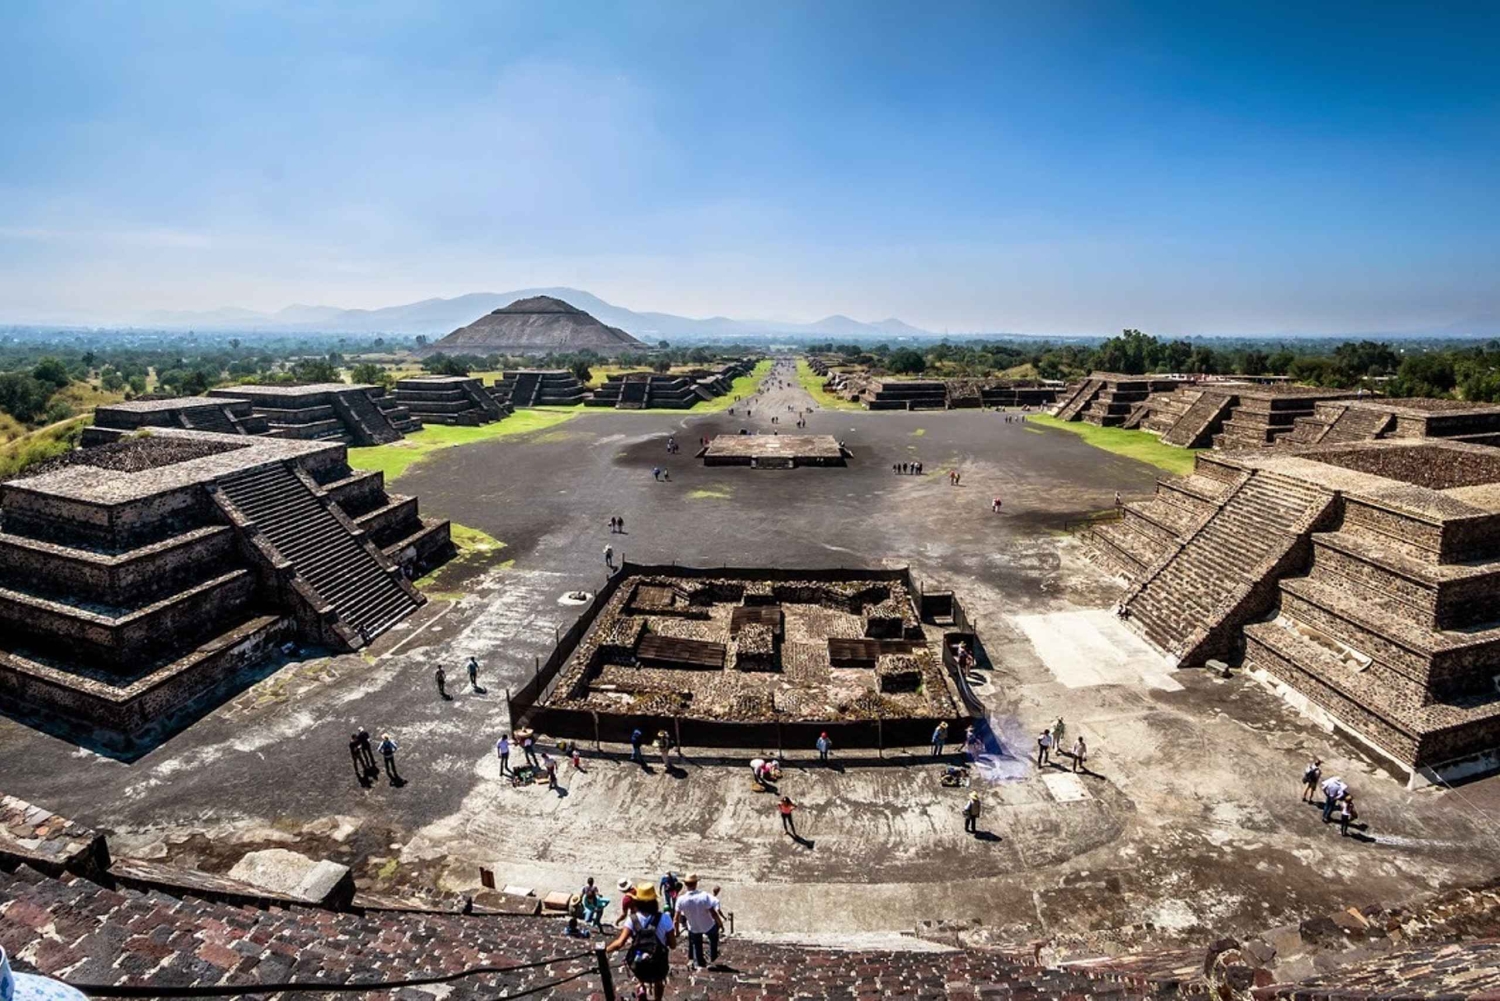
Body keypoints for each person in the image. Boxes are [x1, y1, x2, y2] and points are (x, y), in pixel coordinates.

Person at [607, 883, 675, 1001]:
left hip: (639, 961)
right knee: (659, 981)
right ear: (654, 901)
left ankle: (641, 987)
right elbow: (673, 945)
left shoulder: (632, 919)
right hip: (658, 961)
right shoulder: (665, 918)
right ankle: (657, 999)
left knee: (641, 968)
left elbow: (620, 943)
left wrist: (604, 950)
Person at [674, 874, 723, 970]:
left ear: (685, 884)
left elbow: (676, 919)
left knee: (696, 944)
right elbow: (713, 913)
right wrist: (720, 924)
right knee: (713, 939)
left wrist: (677, 931)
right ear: (696, 884)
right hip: (708, 925)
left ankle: (699, 963)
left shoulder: (680, 900)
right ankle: (712, 959)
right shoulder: (704, 896)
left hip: (694, 927)